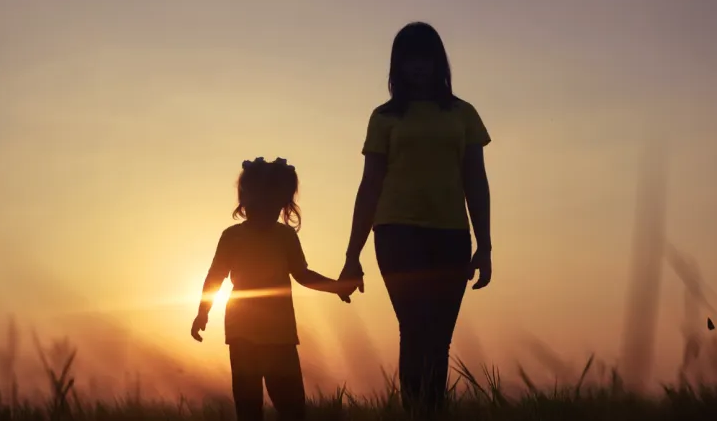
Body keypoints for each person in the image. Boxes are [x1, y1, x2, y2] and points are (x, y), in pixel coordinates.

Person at [336, 22, 493, 412]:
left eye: (426, 57)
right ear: (398, 65)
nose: (418, 66)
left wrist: (485, 244)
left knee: (439, 336)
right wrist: (352, 255)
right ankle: (415, 411)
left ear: (439, 62)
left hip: (452, 234)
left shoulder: (463, 114)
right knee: (416, 326)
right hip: (397, 233)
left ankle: (431, 411)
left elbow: (476, 180)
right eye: (410, 58)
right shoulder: (384, 118)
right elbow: (369, 185)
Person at [192, 157, 348, 421]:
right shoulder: (233, 236)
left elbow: (301, 274)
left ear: (281, 203)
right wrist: (202, 312)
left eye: (273, 201)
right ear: (246, 200)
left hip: (279, 333)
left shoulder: (285, 237)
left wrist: (336, 287)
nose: (266, 207)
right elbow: (215, 277)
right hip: (246, 331)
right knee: (250, 404)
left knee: (291, 406)